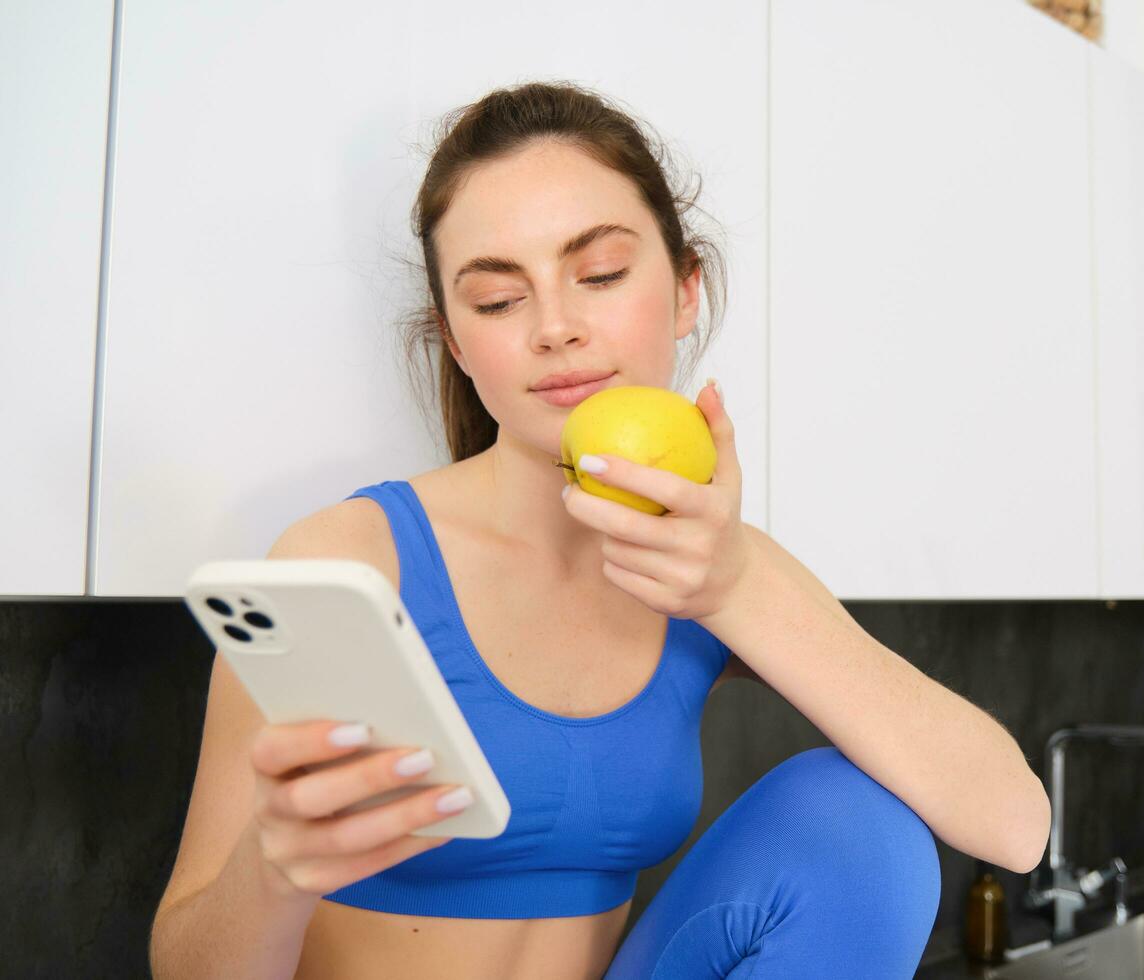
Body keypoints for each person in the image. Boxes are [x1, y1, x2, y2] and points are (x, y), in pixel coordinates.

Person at [148, 80, 950, 979]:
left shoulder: (703, 571)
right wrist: (275, 869)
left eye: (601, 274)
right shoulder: (345, 564)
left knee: (851, 817)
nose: (556, 329)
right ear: (454, 339)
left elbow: (1015, 823)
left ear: (686, 291)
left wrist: (734, 588)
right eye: (497, 301)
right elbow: (184, 966)